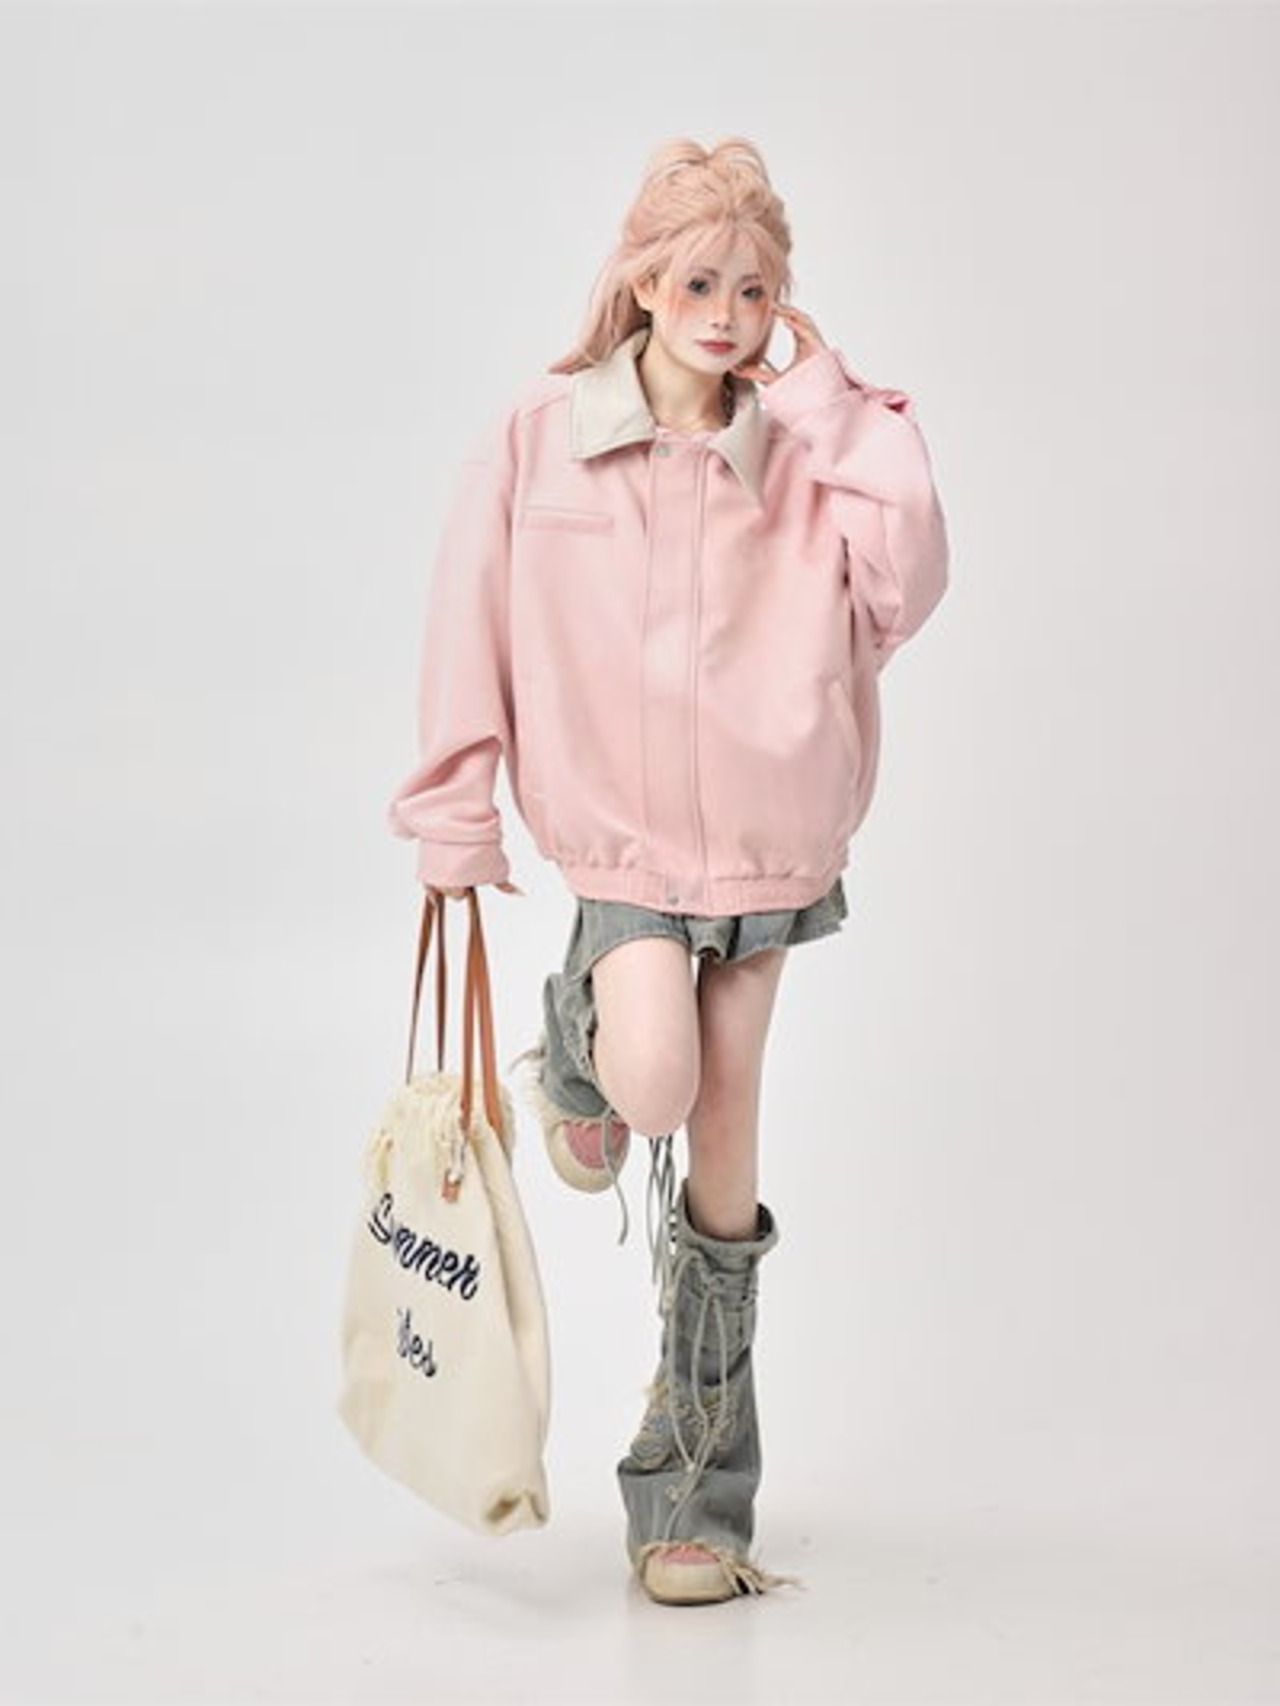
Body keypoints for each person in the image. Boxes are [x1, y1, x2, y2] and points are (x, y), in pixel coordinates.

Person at [385, 135, 950, 1604]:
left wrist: (830, 403)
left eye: (754, 291)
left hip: (773, 846)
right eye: (698, 283)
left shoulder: (807, 451)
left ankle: (693, 1488)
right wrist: (455, 815)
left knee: (727, 1152)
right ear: (641, 280)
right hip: (624, 844)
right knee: (653, 1081)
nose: (725, 315)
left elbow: (909, 582)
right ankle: (574, 1065)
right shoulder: (542, 435)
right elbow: (467, 617)